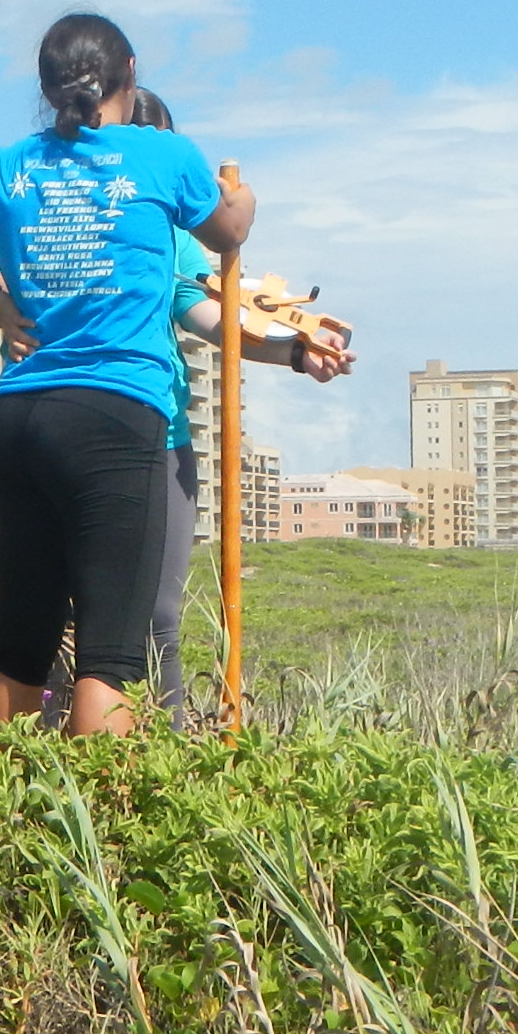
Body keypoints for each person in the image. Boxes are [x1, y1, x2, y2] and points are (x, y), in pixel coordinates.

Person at [0, 13, 252, 737]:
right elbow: (226, 232)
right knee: (109, 658)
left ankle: (1, 817)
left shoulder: (5, 166)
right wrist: (246, 202)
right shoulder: (159, 154)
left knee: (21, 647)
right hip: (114, 413)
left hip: (16, 421)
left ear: (45, 88)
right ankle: (99, 838)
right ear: (130, 73)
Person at [122, 89, 349, 721]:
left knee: (157, 616)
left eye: (166, 146)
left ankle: (162, 757)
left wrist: (297, 352)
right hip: (67, 424)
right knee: (61, 612)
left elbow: (208, 314)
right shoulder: (50, 198)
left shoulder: (173, 234)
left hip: (158, 432)